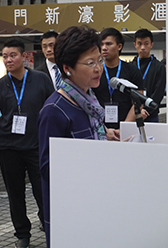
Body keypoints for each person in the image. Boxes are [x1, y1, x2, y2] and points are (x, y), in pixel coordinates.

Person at [38, 26, 120, 248]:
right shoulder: (54, 109)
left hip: (94, 202)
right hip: (71, 214)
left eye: (99, 61)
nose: (98, 69)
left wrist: (105, 136)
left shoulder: (89, 101)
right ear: (67, 68)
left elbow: (89, 138)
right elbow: (47, 169)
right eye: (90, 63)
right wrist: (88, 153)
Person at [0, 38, 54, 248]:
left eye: (12, 55)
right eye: (4, 56)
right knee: (15, 194)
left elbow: (52, 108)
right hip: (8, 147)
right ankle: (22, 235)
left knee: (42, 190)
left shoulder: (41, 79)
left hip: (36, 146)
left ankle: (48, 223)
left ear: (24, 57)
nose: (8, 60)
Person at [93, 27, 144, 130]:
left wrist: (124, 128)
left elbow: (138, 102)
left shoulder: (131, 70)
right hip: (100, 129)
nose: (104, 48)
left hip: (127, 127)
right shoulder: (95, 71)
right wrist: (103, 130)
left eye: (108, 44)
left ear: (119, 46)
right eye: (101, 44)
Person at [132, 28, 166, 122]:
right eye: (139, 43)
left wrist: (146, 111)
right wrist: (138, 110)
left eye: (146, 43)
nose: (143, 47)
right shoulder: (130, 66)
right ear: (135, 45)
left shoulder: (159, 67)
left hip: (151, 115)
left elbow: (158, 93)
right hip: (133, 114)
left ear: (151, 44)